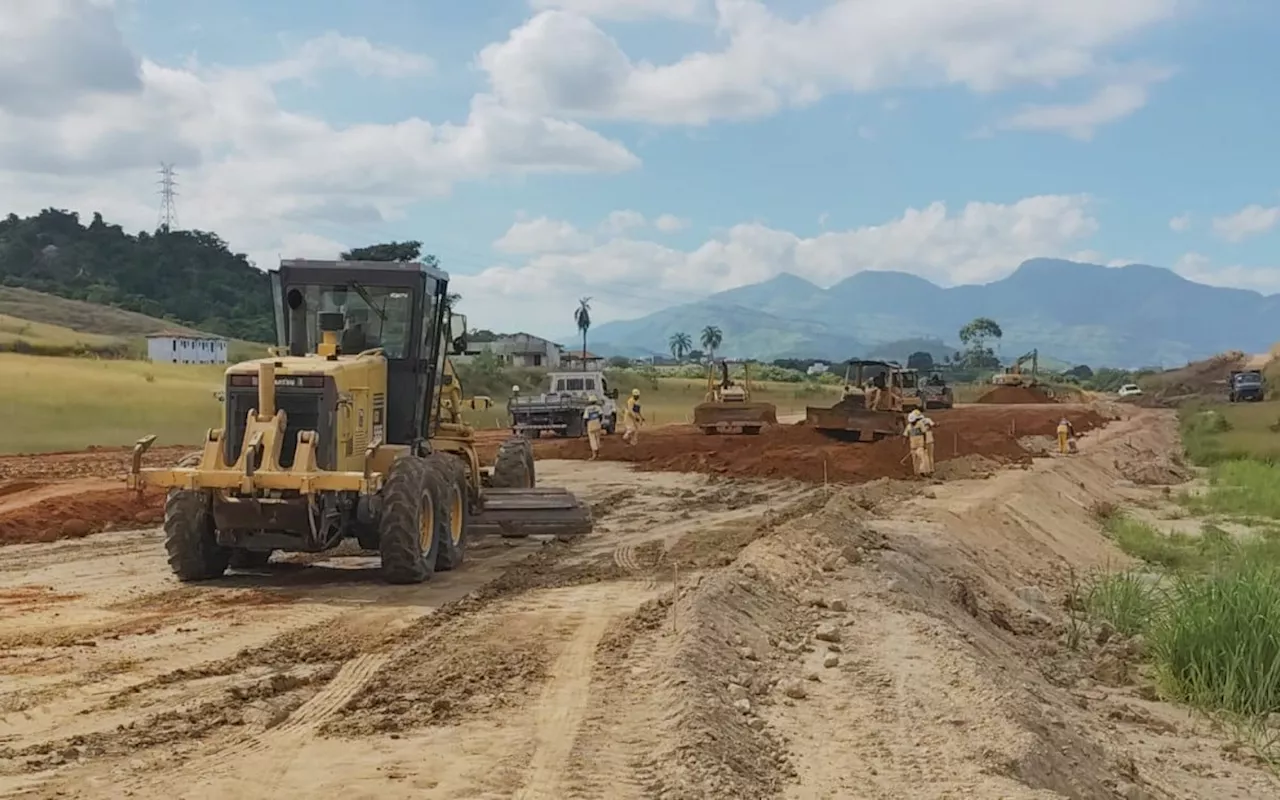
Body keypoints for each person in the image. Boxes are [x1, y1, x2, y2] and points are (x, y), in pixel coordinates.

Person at [903, 409, 935, 477]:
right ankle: (918, 473)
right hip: (914, 446)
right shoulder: (909, 426)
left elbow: (924, 433)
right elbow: (905, 435)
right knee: (916, 460)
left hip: (920, 444)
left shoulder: (920, 424)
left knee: (923, 458)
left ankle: (923, 471)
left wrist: (924, 442)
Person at [583, 394, 604, 460]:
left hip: (591, 423)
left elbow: (586, 418)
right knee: (597, 438)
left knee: (592, 439)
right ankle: (598, 454)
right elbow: (601, 416)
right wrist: (599, 422)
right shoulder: (598, 407)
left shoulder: (587, 409)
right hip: (597, 422)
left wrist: (585, 425)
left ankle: (594, 455)